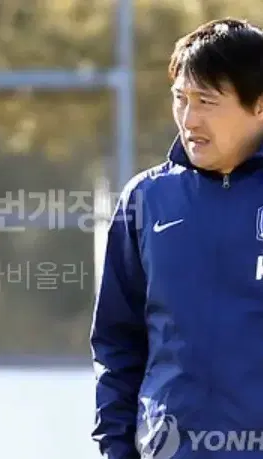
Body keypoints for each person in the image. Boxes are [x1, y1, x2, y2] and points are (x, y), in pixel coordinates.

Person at [90, 17, 263, 459]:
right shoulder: (146, 199)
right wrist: (115, 448)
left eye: (206, 100)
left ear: (258, 105)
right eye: (180, 99)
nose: (188, 119)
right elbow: (117, 343)